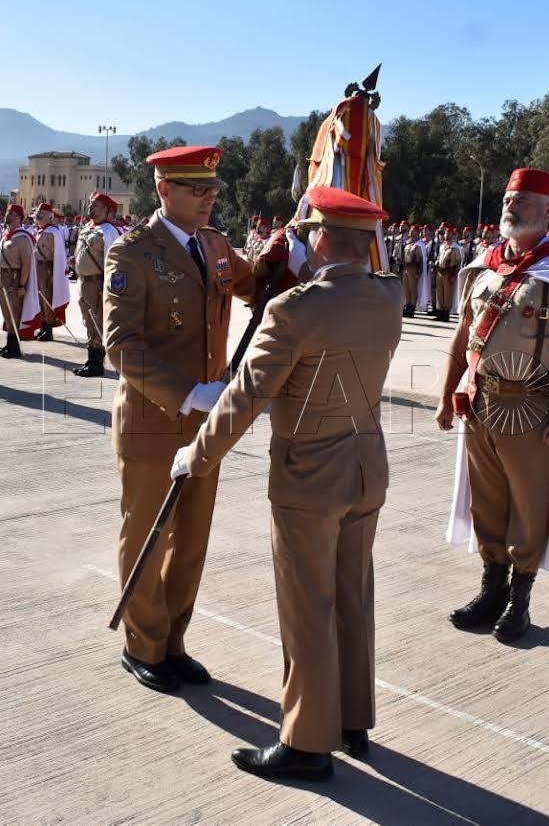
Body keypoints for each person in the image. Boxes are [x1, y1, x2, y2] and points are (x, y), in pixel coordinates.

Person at [170, 185, 401, 780]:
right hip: (365, 466)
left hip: (309, 477)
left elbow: (243, 402)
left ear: (320, 239)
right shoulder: (389, 298)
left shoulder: (294, 311)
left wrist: (196, 456)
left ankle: (305, 742)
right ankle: (352, 719)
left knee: (308, 609)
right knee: (352, 597)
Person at [437, 168, 549, 644]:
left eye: (523, 200)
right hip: (481, 402)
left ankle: (520, 599)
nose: (510, 206)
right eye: (508, 197)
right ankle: (491, 589)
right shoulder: (486, 265)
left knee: (529, 506)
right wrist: (446, 393)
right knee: (487, 502)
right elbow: (463, 335)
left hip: (533, 407)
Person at [103, 145, 254, 694]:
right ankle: (143, 645)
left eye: (212, 188)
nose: (208, 198)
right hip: (155, 416)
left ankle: (173, 641)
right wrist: (190, 391)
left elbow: (256, 285)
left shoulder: (215, 245)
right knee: (148, 532)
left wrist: (293, 253)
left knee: (192, 536)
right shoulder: (133, 254)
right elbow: (122, 344)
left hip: (207, 419)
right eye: (196, 188)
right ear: (164, 190)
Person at [73, 192, 122, 377]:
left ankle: (96, 363)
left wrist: (108, 286)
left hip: (98, 283)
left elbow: (113, 261)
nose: (90, 208)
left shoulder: (109, 231)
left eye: (95, 205)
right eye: (91, 204)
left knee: (97, 321)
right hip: (84, 282)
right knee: (89, 321)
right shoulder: (87, 228)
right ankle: (91, 359)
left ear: (106, 210)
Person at [22, 202, 71, 341]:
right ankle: (42, 325)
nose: (38, 214)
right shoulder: (37, 231)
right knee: (39, 297)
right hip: (36, 267)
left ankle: (48, 328)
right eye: (38, 211)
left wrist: (56, 273)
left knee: (47, 297)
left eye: (41, 212)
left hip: (48, 268)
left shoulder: (53, 232)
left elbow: (59, 255)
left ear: (49, 215)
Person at [0, 204, 34, 359]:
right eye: (7, 212)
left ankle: (14, 346)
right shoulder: (6, 234)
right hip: (2, 277)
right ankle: (9, 344)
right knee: (6, 313)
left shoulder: (22, 237)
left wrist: (22, 284)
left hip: (14, 278)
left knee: (14, 312)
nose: (7, 215)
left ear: (18, 217)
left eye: (11, 213)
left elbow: (26, 263)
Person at [433, 229, 461, 321]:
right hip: (440, 272)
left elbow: (458, 263)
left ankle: (446, 314)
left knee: (447, 294)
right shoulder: (442, 246)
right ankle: (440, 313)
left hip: (449, 273)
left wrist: (454, 276)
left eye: (448, 233)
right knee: (440, 293)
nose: (446, 235)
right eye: (445, 233)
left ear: (452, 235)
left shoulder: (455, 248)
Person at [400, 225, 424, 317]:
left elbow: (422, 261)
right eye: (411, 231)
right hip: (406, 268)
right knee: (406, 288)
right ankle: (407, 305)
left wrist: (419, 272)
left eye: (413, 232)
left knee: (413, 289)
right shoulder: (408, 244)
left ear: (417, 234)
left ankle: (412, 308)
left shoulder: (419, 245)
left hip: (414, 268)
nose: (411, 233)